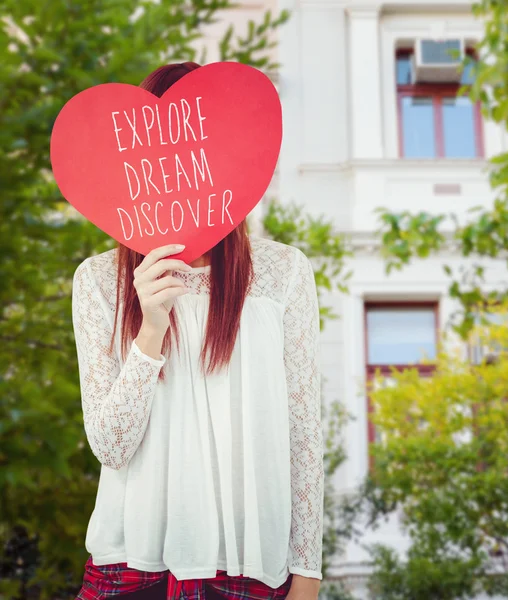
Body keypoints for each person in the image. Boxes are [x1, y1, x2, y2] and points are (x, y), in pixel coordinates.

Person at [72, 62, 324, 600]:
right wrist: (151, 328)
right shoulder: (98, 281)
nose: (180, 167)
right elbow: (110, 446)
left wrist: (308, 573)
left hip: (251, 570)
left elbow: (303, 433)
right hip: (130, 567)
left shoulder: (283, 273)